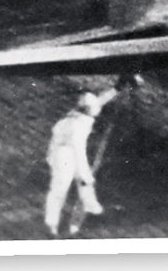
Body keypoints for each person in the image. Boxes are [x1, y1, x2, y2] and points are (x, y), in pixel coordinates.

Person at [44, 88, 118, 238]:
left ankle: (94, 210)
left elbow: (100, 101)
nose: (96, 111)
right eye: (93, 109)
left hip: (64, 151)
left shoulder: (81, 112)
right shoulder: (77, 126)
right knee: (61, 189)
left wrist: (117, 88)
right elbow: (79, 152)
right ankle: (52, 227)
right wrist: (85, 175)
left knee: (84, 185)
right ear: (87, 109)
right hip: (64, 156)